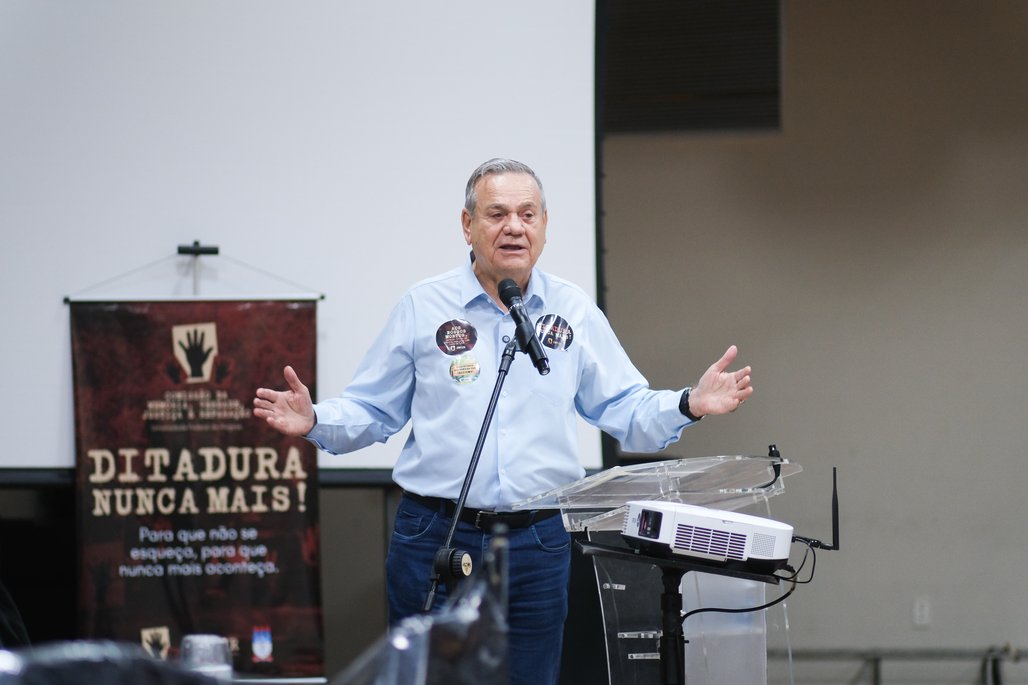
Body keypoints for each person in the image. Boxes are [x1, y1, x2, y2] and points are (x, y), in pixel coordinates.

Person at [253, 158, 753, 685]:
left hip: (536, 541)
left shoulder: (572, 311)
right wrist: (316, 420)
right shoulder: (424, 307)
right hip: (435, 534)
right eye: (496, 214)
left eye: (527, 214)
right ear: (467, 226)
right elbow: (373, 411)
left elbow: (626, 409)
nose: (513, 226)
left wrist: (688, 404)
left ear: (543, 226)